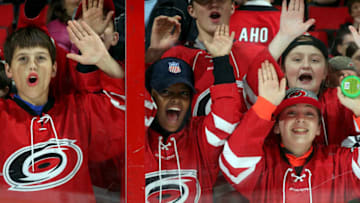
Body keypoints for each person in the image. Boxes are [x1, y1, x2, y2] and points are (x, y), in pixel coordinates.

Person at [0, 18, 124, 203]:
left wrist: (104, 60)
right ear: (8, 69)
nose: (32, 65)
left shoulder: (79, 111)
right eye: (23, 58)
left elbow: (136, 115)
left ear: (54, 69)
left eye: (40, 58)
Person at [220, 62, 360, 202]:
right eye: (291, 113)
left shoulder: (338, 161)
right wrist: (265, 105)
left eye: (309, 114)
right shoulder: (262, 163)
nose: (300, 119)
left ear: (318, 128)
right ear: (276, 126)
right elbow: (234, 163)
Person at [144, 24, 242, 202]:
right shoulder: (134, 137)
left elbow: (226, 116)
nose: (176, 99)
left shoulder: (200, 137)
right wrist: (151, 57)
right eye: (165, 92)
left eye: (183, 93)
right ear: (151, 96)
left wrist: (221, 61)